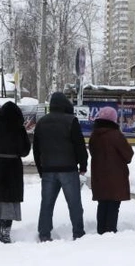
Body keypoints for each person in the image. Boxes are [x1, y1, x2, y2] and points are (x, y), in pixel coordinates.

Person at [33, 92, 88, 241]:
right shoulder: (71, 121)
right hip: (68, 168)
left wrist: (40, 169)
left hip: (48, 170)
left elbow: (36, 149)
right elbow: (79, 145)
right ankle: (78, 233)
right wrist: (83, 164)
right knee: (74, 204)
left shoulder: (42, 122)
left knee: (46, 204)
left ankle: (44, 234)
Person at [0, 101, 31, 243]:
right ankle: (6, 231)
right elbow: (25, 151)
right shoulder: (19, 129)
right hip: (13, 167)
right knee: (9, 200)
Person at [88, 106, 134, 234]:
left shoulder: (94, 135)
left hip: (99, 176)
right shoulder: (116, 135)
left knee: (102, 204)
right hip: (116, 177)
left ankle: (101, 231)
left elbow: (93, 153)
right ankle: (110, 232)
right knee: (113, 206)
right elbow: (128, 155)